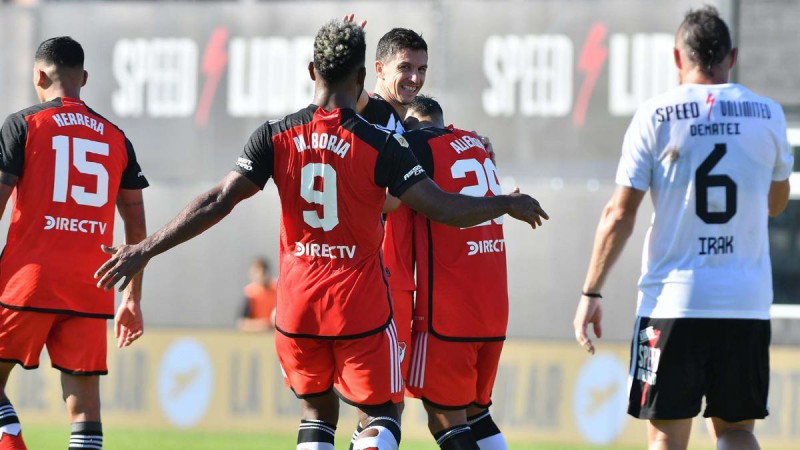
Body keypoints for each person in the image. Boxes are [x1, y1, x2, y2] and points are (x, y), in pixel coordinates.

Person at [94, 18, 548, 450]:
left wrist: (145, 248)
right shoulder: (381, 144)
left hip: (296, 310)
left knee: (317, 414)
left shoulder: (274, 135)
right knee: (383, 415)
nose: (414, 77)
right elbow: (444, 208)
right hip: (360, 307)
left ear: (312, 71)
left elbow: (217, 201)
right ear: (361, 77)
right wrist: (505, 203)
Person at [572, 7, 793, 450]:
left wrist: (591, 292)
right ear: (732, 57)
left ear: (678, 58)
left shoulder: (656, 115)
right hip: (744, 304)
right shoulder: (767, 114)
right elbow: (775, 204)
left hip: (672, 302)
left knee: (666, 439)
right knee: (738, 432)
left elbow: (620, 215)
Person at [0, 36, 149, 450]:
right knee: (85, 412)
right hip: (91, 286)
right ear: (83, 78)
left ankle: (10, 438)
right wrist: (132, 297)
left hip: (25, 281)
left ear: (38, 76)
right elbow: (136, 230)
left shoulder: (24, 124)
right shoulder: (116, 138)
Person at [402, 95, 510, 450]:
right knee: (477, 414)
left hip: (448, 313)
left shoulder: (417, 142)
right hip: (492, 312)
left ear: (415, 122)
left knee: (444, 417)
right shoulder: (475, 143)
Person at [237, 257, 278, 332]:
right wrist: (261, 325)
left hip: (276, 332)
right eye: (257, 272)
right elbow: (242, 323)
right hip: (258, 334)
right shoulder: (250, 293)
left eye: (263, 271)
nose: (261, 275)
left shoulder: (278, 289)